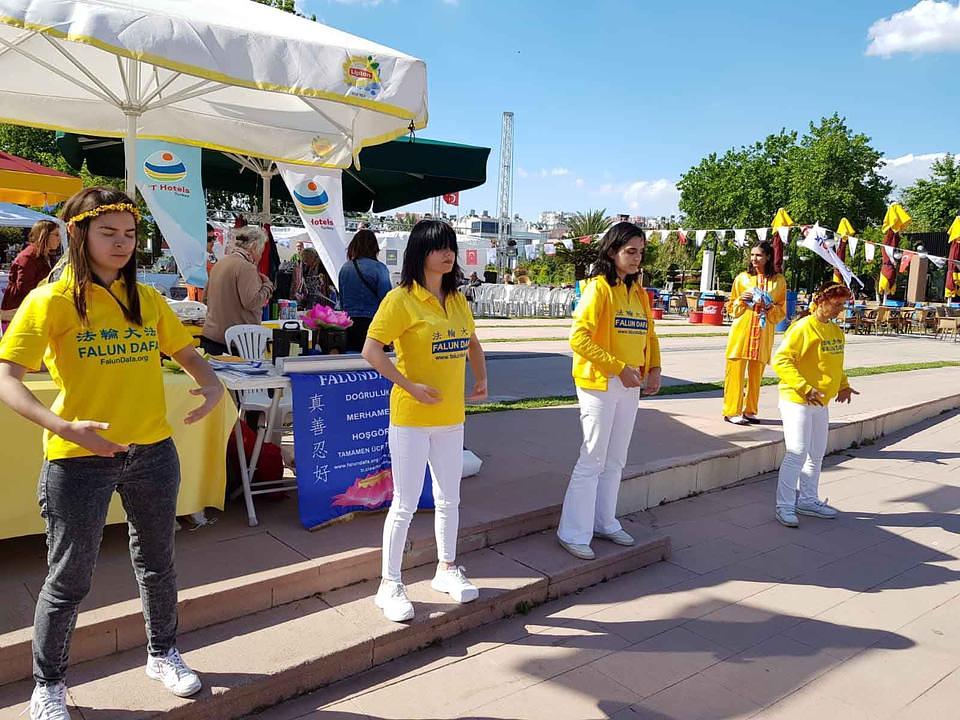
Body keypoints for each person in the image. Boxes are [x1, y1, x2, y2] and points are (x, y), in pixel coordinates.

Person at [0, 188, 224, 720]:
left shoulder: (145, 298)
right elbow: (7, 377)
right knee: (69, 576)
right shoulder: (49, 300)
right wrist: (62, 426)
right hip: (77, 460)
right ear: (78, 234)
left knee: (158, 563)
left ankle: (163, 653)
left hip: (152, 452)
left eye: (130, 234)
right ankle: (47, 684)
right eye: (109, 233)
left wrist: (212, 384)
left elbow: (186, 351)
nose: (123, 244)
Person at [362, 219, 488, 623]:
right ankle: (390, 583)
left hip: (452, 418)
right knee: (405, 503)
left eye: (450, 246)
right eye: (438, 247)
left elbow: (471, 341)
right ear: (420, 253)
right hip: (411, 418)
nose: (448, 254)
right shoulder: (401, 300)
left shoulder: (457, 300)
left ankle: (447, 568)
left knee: (449, 498)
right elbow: (371, 350)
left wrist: (481, 377)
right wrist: (410, 386)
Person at [557, 222, 661, 560]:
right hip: (599, 384)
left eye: (640, 252)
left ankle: (605, 521)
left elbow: (650, 336)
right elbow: (579, 338)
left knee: (616, 458)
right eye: (631, 251)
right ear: (612, 251)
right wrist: (618, 367)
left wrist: (654, 368)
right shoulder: (598, 289)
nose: (636, 258)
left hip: (630, 384)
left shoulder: (639, 293)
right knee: (593, 458)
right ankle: (572, 532)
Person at [771, 282, 857, 528]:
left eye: (843, 304)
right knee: (797, 452)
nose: (840, 310)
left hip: (820, 402)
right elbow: (781, 360)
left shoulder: (836, 332)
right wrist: (803, 387)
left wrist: (842, 385)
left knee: (816, 454)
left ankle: (808, 500)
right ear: (821, 301)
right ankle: (784, 505)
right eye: (837, 304)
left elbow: (835, 364)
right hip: (797, 399)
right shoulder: (802, 328)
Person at [722, 241, 787, 425]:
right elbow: (731, 308)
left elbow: (781, 312)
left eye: (758, 255)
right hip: (741, 332)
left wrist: (769, 306)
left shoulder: (778, 281)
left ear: (767, 257)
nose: (754, 259)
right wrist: (741, 301)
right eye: (752, 255)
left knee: (756, 374)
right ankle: (731, 410)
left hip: (763, 332)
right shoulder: (742, 278)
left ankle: (750, 410)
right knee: (735, 372)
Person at [200, 226, 274, 355]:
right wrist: (267, 286)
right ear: (254, 246)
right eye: (261, 250)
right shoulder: (246, 267)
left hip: (210, 337)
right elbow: (251, 302)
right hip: (235, 343)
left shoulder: (220, 263)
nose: (261, 255)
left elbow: (205, 299)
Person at [338, 229, 391, 352]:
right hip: (374, 323)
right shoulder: (380, 268)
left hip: (349, 323)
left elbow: (341, 297)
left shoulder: (345, 268)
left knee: (351, 363)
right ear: (374, 247)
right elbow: (387, 300)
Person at [1, 220, 61, 327]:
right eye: (56, 235)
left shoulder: (47, 256)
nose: (59, 239)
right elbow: (25, 288)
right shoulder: (28, 257)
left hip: (35, 310)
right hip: (19, 313)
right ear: (44, 235)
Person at [185, 223, 218, 303]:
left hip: (210, 302)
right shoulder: (194, 257)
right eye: (209, 239)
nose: (212, 242)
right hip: (199, 303)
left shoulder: (210, 254)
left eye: (214, 238)